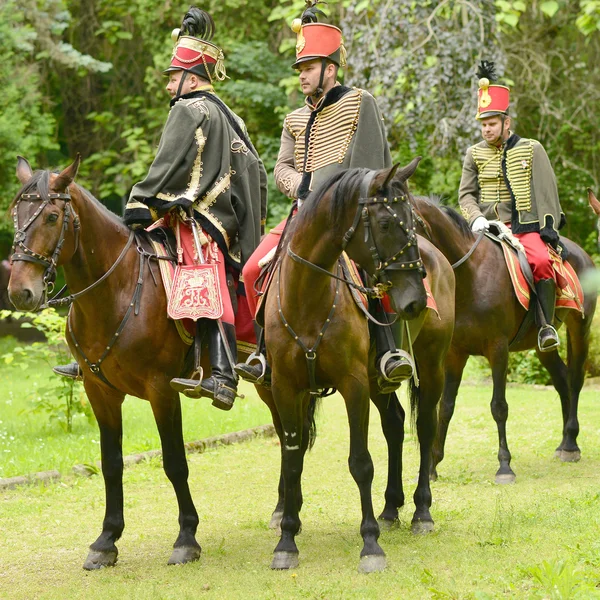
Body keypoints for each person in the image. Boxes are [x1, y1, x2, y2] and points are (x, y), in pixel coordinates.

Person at [55, 7, 267, 410]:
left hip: (194, 218)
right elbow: (255, 172)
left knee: (136, 262)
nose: (170, 86)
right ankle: (91, 356)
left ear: (192, 76)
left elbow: (166, 166)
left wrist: (139, 203)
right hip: (228, 221)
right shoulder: (230, 115)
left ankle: (221, 375)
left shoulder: (187, 109)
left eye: (173, 77)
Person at [234, 0, 414, 391]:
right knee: (252, 271)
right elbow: (280, 166)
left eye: (309, 68)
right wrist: (300, 185)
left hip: (351, 214)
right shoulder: (294, 119)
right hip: (301, 215)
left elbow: (367, 167)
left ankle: (387, 352)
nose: (302, 76)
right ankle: (263, 352)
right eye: (299, 69)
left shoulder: (359, 102)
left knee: (372, 267)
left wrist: (322, 187)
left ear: (329, 69)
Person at [458, 60, 566, 351]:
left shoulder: (531, 149)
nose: (486, 130)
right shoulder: (473, 153)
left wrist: (547, 229)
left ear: (507, 122)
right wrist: (476, 218)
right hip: (486, 228)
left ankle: (545, 327)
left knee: (542, 262)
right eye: (483, 124)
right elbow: (465, 195)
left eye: (492, 124)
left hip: (522, 226)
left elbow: (546, 194)